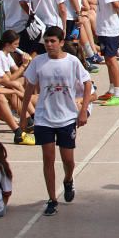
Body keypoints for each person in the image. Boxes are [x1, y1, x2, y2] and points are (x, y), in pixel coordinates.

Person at [21, 26, 93, 217]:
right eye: (47, 41)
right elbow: (28, 88)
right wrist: (23, 115)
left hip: (67, 117)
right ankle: (52, 199)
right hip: (44, 117)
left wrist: (83, 110)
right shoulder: (38, 62)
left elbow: (88, 84)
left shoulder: (72, 62)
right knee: (48, 158)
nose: (49, 45)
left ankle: (68, 179)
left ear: (61, 42)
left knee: (68, 160)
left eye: (53, 41)